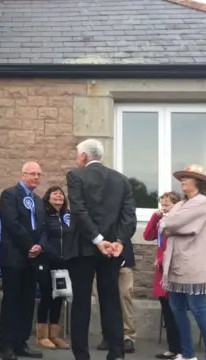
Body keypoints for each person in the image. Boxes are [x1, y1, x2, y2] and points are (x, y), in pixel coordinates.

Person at [63, 138, 136, 360]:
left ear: (84, 156)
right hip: (112, 250)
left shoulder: (76, 175)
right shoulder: (122, 180)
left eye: (78, 155)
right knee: (111, 301)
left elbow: (79, 210)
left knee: (81, 304)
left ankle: (82, 355)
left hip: (84, 247)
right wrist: (119, 242)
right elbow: (129, 216)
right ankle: (116, 353)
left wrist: (97, 239)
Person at [160, 165, 206, 360]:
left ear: (198, 183)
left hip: (193, 265)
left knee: (198, 309)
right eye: (182, 177)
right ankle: (187, 354)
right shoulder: (182, 203)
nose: (183, 180)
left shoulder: (201, 203)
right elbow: (167, 223)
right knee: (177, 309)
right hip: (176, 265)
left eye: (188, 177)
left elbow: (171, 223)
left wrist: (169, 222)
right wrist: (169, 222)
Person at [0, 161, 47, 360]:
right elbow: (12, 223)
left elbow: (44, 227)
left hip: (33, 259)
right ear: (23, 175)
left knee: (27, 302)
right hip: (14, 257)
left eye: (39, 174)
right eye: (32, 174)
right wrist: (29, 246)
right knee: (12, 301)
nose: (36, 177)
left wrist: (40, 246)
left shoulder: (38, 200)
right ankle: (6, 346)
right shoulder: (10, 195)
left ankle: (21, 343)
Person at [142, 191, 182, 359]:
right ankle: (172, 348)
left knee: (175, 311)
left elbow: (177, 247)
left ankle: (180, 349)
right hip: (161, 271)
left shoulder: (178, 222)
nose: (164, 208)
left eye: (167, 205)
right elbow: (147, 235)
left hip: (172, 270)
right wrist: (154, 217)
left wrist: (161, 259)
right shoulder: (162, 221)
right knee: (166, 310)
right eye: (162, 205)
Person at [35, 186, 70, 350]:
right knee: (47, 296)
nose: (58, 195)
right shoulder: (44, 215)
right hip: (48, 261)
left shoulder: (67, 216)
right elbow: (42, 238)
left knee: (59, 297)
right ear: (47, 198)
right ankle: (42, 336)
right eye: (54, 193)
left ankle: (55, 335)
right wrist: (54, 253)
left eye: (61, 194)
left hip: (64, 264)